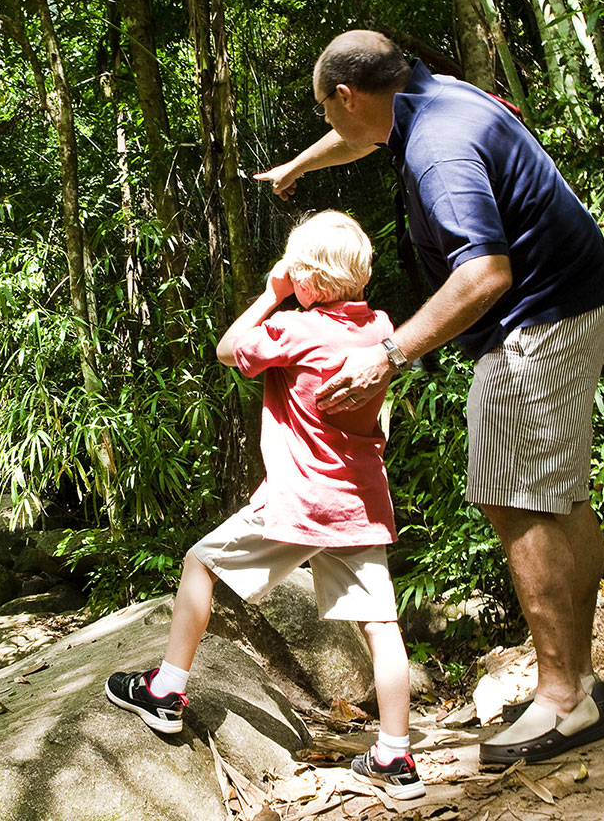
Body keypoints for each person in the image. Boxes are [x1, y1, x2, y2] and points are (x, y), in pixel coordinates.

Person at [253, 29, 604, 765]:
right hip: (576, 298)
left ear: (346, 96)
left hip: (534, 323)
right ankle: (579, 678)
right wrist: (299, 164)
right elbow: (354, 142)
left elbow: (484, 275)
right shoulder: (429, 95)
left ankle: (561, 701)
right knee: (560, 495)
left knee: (516, 500)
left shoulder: (437, 148)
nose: (331, 129)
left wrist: (390, 353)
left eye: (327, 114)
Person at [105, 211, 426, 800]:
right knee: (381, 626)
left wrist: (272, 293)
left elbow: (229, 349)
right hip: (357, 504)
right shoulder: (380, 326)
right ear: (361, 274)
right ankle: (395, 759)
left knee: (200, 562)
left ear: (305, 279)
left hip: (300, 500)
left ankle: (166, 690)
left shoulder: (296, 328)